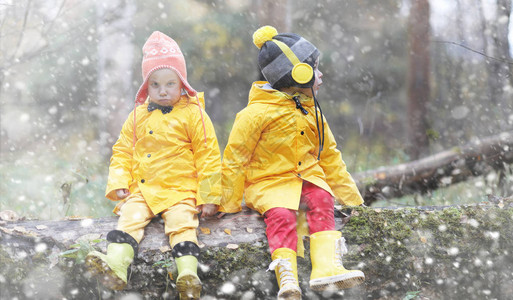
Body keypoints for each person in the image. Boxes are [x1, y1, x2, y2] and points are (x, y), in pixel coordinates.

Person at [220, 25, 365, 299]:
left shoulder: (312, 112)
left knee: (323, 198)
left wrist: (352, 200)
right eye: (315, 69)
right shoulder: (255, 114)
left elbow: (330, 157)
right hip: (268, 183)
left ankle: (327, 267)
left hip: (306, 178)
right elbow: (235, 159)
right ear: (299, 74)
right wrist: (228, 203)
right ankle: (287, 276)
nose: (320, 75)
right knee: (282, 215)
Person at [85, 31, 221, 300]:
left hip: (181, 189)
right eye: (155, 84)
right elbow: (122, 151)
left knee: (182, 224)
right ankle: (116, 267)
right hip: (144, 189)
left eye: (170, 83)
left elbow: (209, 156)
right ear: (146, 87)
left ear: (182, 83)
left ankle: (187, 274)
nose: (163, 90)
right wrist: (120, 182)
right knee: (129, 220)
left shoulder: (194, 115)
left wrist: (209, 196)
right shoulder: (136, 117)